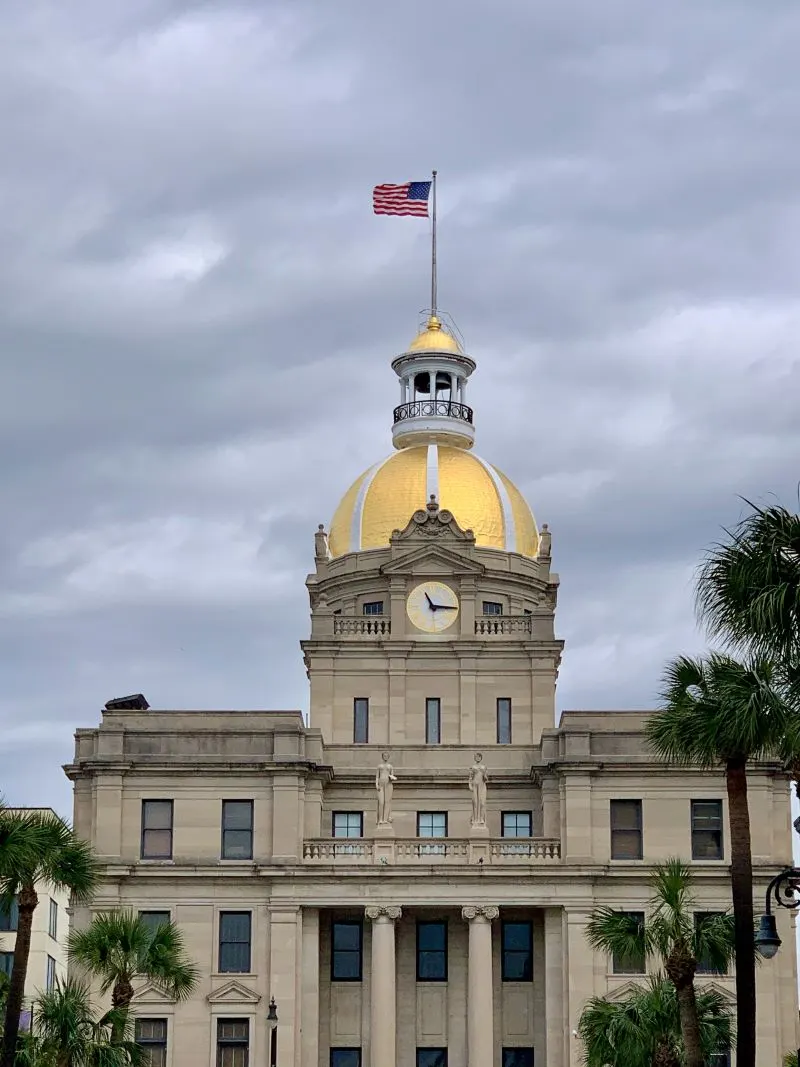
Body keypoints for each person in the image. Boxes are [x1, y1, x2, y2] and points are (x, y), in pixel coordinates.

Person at [376, 753, 398, 824]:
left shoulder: (390, 766)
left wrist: (392, 778)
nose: (385, 757)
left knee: (387, 802)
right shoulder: (379, 766)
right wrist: (376, 785)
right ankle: (380, 819)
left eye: (387, 756)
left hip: (388, 784)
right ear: (382, 757)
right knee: (381, 802)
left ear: (388, 757)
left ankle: (385, 819)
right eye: (384, 756)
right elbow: (377, 777)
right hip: (381, 784)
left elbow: (392, 775)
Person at [468, 753, 488, 825]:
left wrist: (484, 773)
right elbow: (470, 777)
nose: (478, 758)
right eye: (476, 757)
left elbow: (486, 779)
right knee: (475, 802)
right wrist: (470, 785)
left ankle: (481, 818)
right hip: (475, 785)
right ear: (475, 758)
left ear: (481, 758)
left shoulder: (484, 767)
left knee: (482, 802)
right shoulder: (472, 767)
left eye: (479, 757)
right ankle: (475, 819)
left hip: (482, 785)